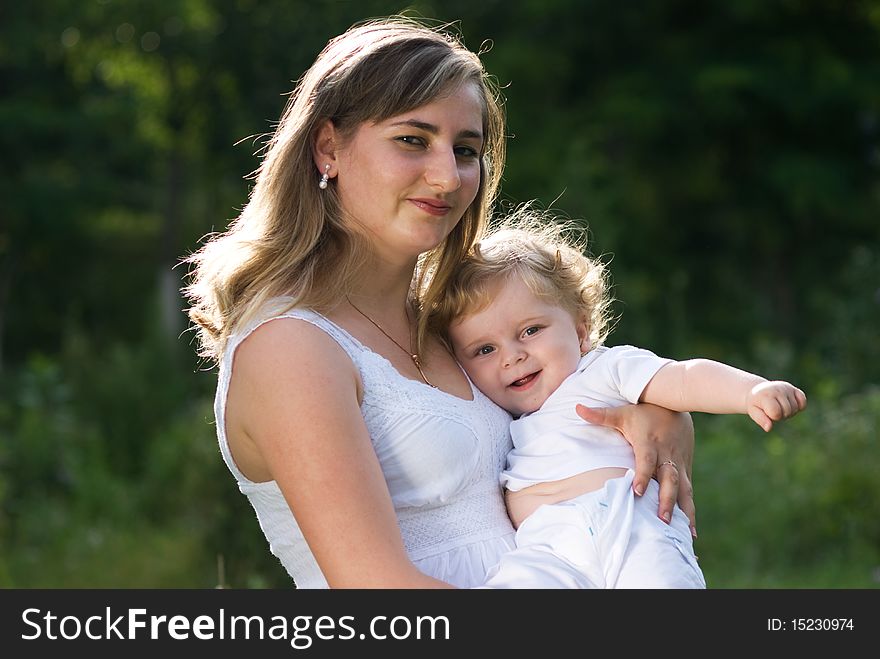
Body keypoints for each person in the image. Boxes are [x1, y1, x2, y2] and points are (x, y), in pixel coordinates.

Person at [182, 16, 697, 589]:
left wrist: (661, 414)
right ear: (329, 148)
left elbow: (591, 389)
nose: (447, 176)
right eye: (412, 140)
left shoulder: (457, 322)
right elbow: (376, 589)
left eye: (466, 149)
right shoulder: (290, 347)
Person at [432, 216, 807, 588]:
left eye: (530, 331)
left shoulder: (602, 369)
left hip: (632, 524)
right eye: (485, 349)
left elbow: (683, 378)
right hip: (547, 549)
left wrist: (750, 392)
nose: (511, 356)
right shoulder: (495, 412)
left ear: (580, 331)